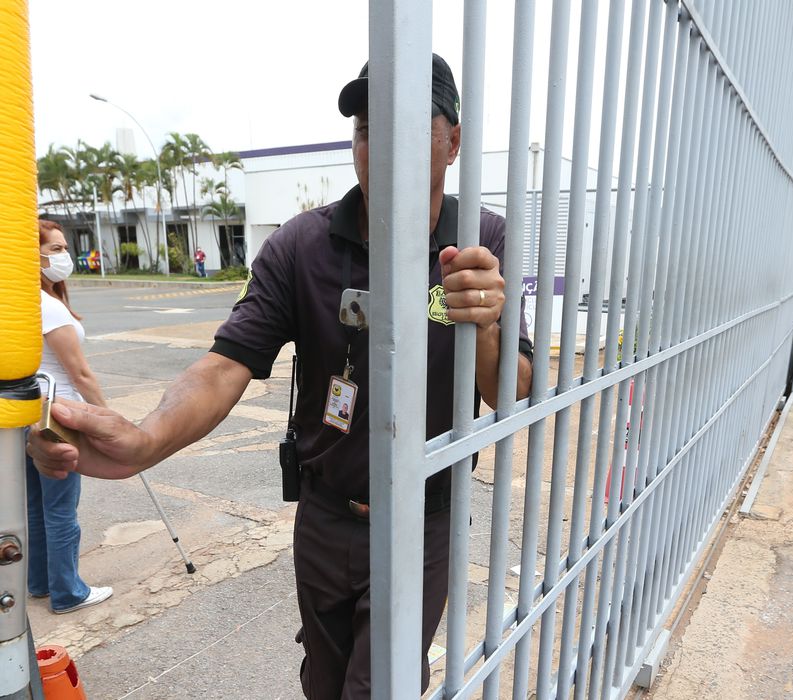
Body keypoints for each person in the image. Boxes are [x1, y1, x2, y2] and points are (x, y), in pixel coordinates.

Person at [27, 54, 534, 696]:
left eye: (408, 125)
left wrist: (485, 323)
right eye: (366, 128)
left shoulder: (483, 238)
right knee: (323, 681)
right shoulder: (301, 246)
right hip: (323, 516)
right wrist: (145, 439)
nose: (380, 145)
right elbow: (224, 364)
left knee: (380, 686)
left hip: (421, 522)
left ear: (453, 141)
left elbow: (509, 388)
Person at [28, 220, 113, 614]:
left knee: (36, 506)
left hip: (27, 414)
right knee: (61, 508)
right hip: (57, 416)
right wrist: (108, 417)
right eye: (56, 248)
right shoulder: (46, 306)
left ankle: (40, 582)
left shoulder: (24, 300)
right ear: (35, 254)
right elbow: (80, 374)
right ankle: (68, 592)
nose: (64, 256)